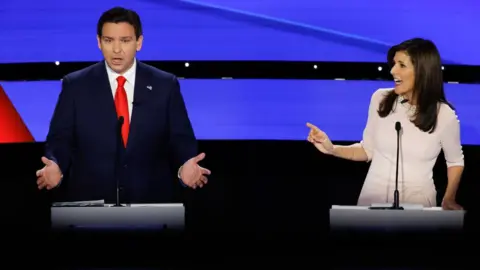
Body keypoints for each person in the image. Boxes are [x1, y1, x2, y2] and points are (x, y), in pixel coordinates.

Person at [36, 7, 210, 203]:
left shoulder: (165, 85)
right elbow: (61, 138)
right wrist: (56, 165)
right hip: (90, 205)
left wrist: (183, 166)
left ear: (139, 42)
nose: (117, 50)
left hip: (151, 204)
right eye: (109, 41)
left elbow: (180, 138)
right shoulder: (75, 85)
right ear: (99, 42)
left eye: (125, 41)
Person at [306, 38, 464, 210]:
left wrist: (449, 198)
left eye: (401, 65)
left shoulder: (444, 115)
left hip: (418, 205)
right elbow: (367, 150)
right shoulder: (380, 99)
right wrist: (332, 149)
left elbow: (455, 162)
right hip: (372, 199)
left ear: (422, 71)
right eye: (394, 63)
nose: (393, 70)